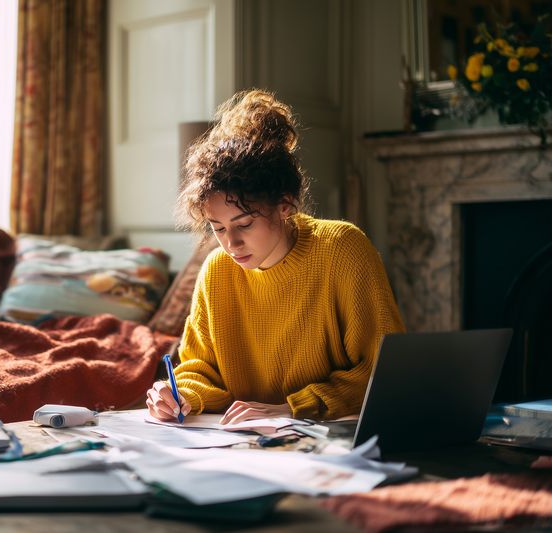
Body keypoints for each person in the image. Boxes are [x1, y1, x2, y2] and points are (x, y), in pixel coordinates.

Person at [146, 89, 405, 424]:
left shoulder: (342, 248)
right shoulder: (216, 270)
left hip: (333, 431)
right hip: (242, 440)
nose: (231, 243)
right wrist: (180, 395)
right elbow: (200, 370)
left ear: (285, 205)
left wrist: (294, 407)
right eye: (218, 228)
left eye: (245, 224)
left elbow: (383, 368)